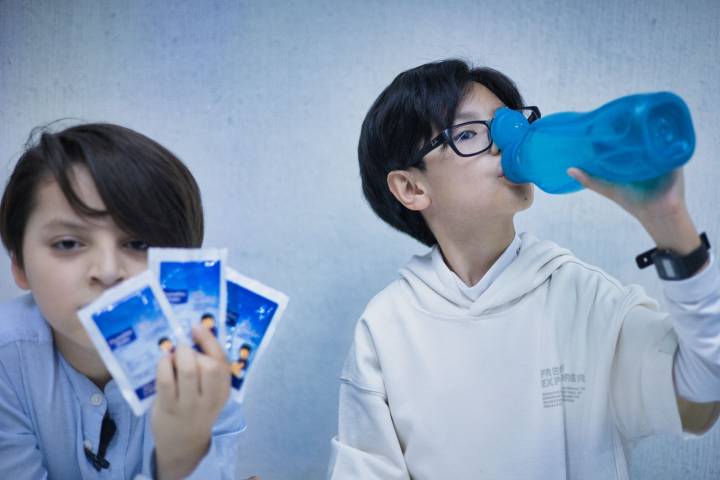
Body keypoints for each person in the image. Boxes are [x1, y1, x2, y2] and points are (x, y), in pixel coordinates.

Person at [327, 59, 720, 479]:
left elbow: (702, 394)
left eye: (507, 123)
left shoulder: (585, 299)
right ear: (411, 187)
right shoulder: (386, 327)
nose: (505, 141)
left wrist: (668, 218)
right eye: (468, 133)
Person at [0, 123, 244, 479]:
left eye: (138, 244)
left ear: (181, 267)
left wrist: (183, 454)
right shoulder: (6, 360)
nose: (108, 272)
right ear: (19, 265)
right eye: (68, 243)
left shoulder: (210, 362)